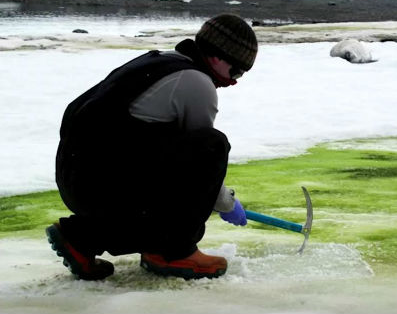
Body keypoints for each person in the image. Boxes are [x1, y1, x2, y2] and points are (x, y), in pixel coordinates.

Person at [45, 14, 258, 281]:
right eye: (236, 71)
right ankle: (174, 251)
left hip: (80, 178)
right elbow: (202, 164)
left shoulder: (160, 62)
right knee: (213, 146)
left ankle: (80, 238)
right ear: (217, 57)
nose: (234, 81)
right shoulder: (196, 82)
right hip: (100, 183)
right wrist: (226, 202)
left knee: (167, 159)